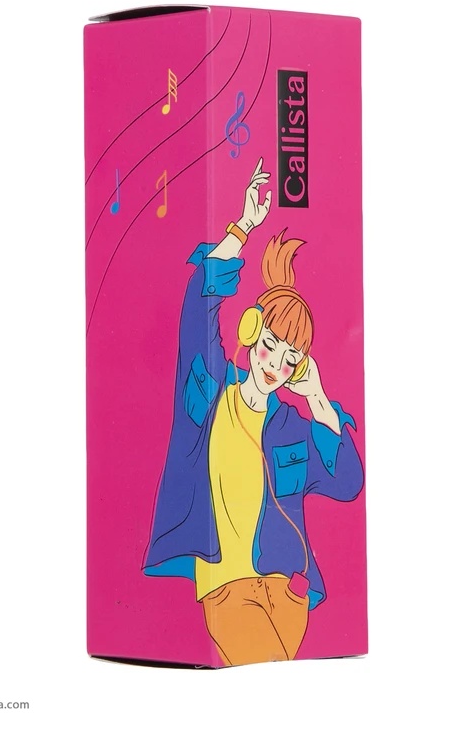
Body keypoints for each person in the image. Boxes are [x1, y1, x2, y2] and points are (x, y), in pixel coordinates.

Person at [143, 158, 364, 666]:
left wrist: (317, 399)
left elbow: (348, 482)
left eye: (290, 359)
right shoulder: (209, 395)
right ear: (250, 331)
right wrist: (243, 226)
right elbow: (198, 302)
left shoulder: (291, 426)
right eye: (269, 346)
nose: (273, 365)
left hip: (288, 592)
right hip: (226, 586)